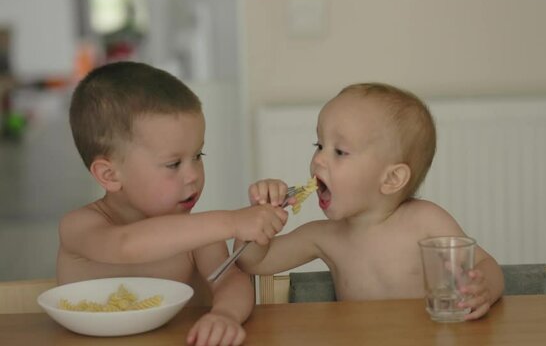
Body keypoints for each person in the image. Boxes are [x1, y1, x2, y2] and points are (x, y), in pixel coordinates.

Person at [58, 61, 288, 345]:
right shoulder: (79, 226)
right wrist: (232, 222)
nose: (193, 175)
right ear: (110, 175)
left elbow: (232, 281)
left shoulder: (199, 236)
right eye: (173, 164)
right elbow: (126, 246)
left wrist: (225, 315)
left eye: (198, 156)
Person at [237, 82, 504, 320]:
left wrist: (483, 290)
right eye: (319, 145)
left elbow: (487, 265)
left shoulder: (426, 222)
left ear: (391, 179)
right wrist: (256, 217)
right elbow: (252, 262)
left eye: (340, 151)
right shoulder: (323, 236)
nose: (318, 159)